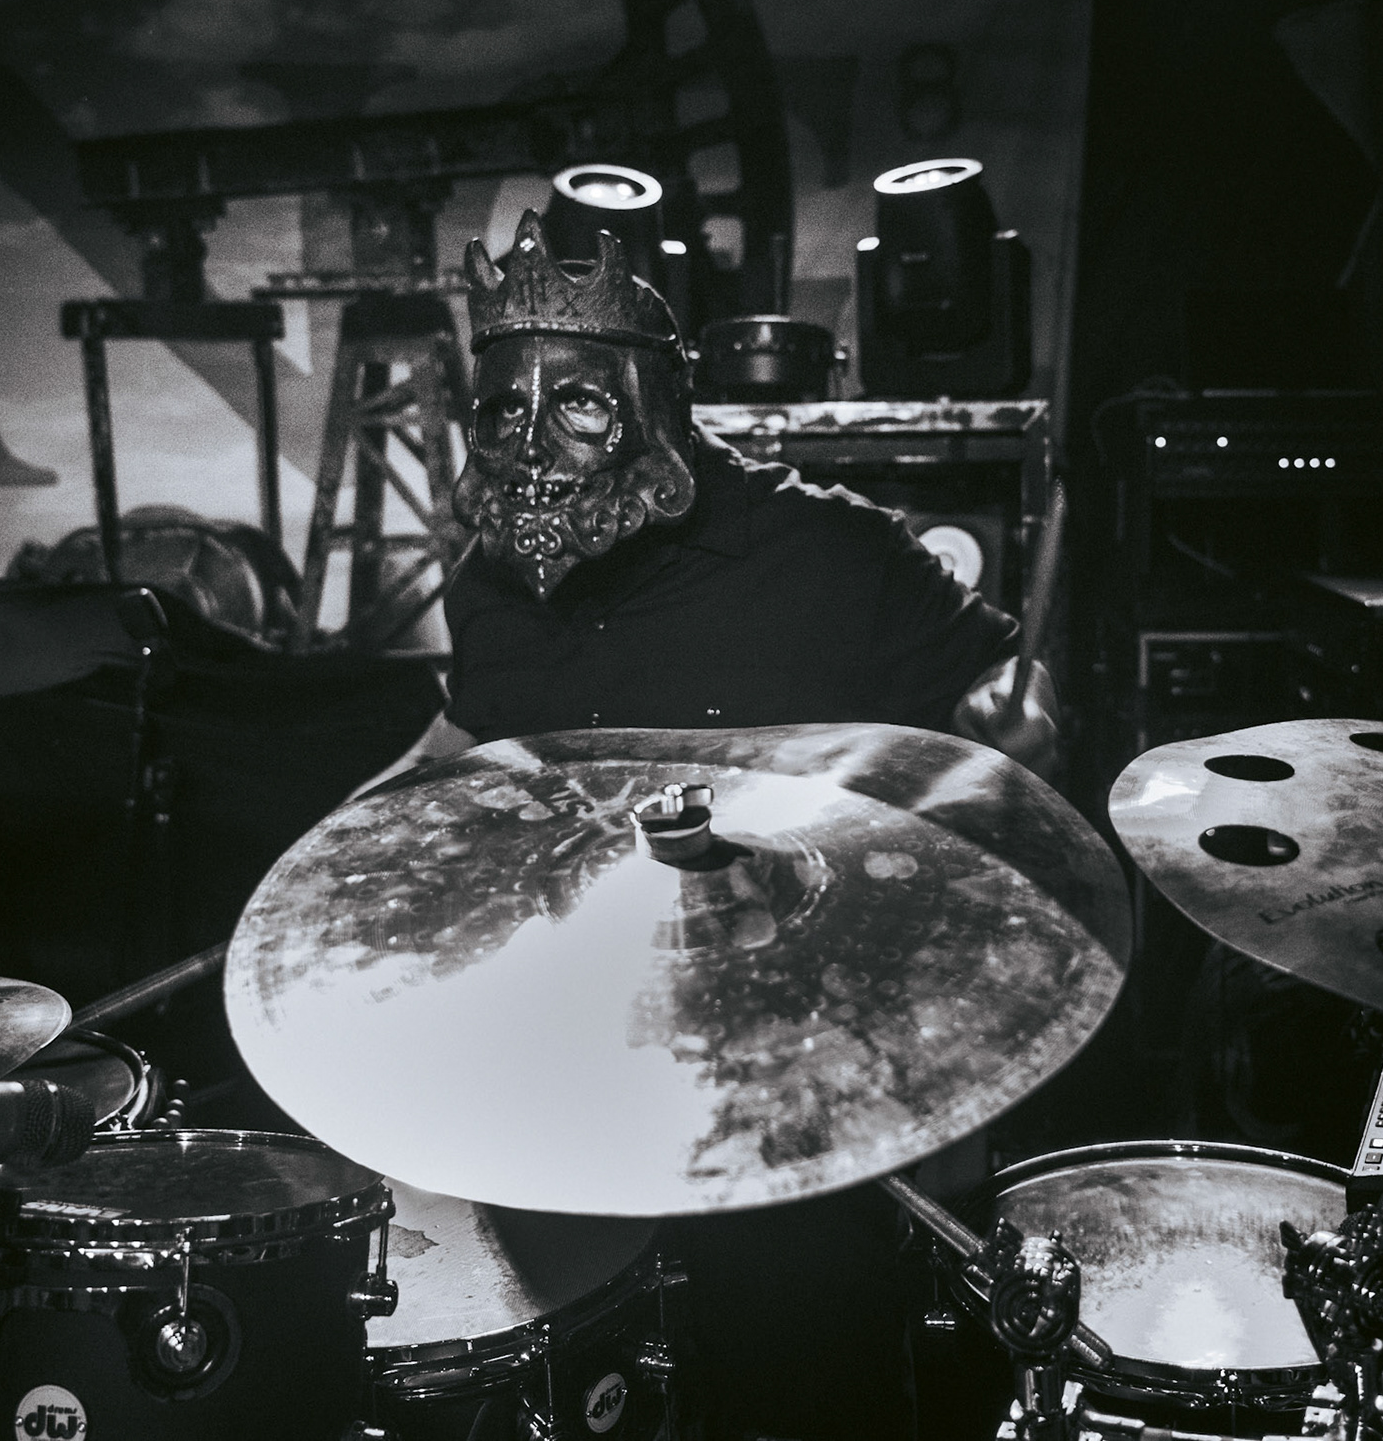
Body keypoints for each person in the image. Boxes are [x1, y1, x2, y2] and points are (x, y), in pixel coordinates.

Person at [381, 210, 1058, 1441]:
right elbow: (476, 734)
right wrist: (355, 834)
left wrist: (1013, 718)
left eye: (576, 407)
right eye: (499, 413)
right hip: (579, 1056)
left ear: (655, 407)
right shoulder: (491, 579)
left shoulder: (834, 554)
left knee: (801, 1386)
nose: (529, 448)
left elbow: (1002, 702)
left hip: (792, 1082)